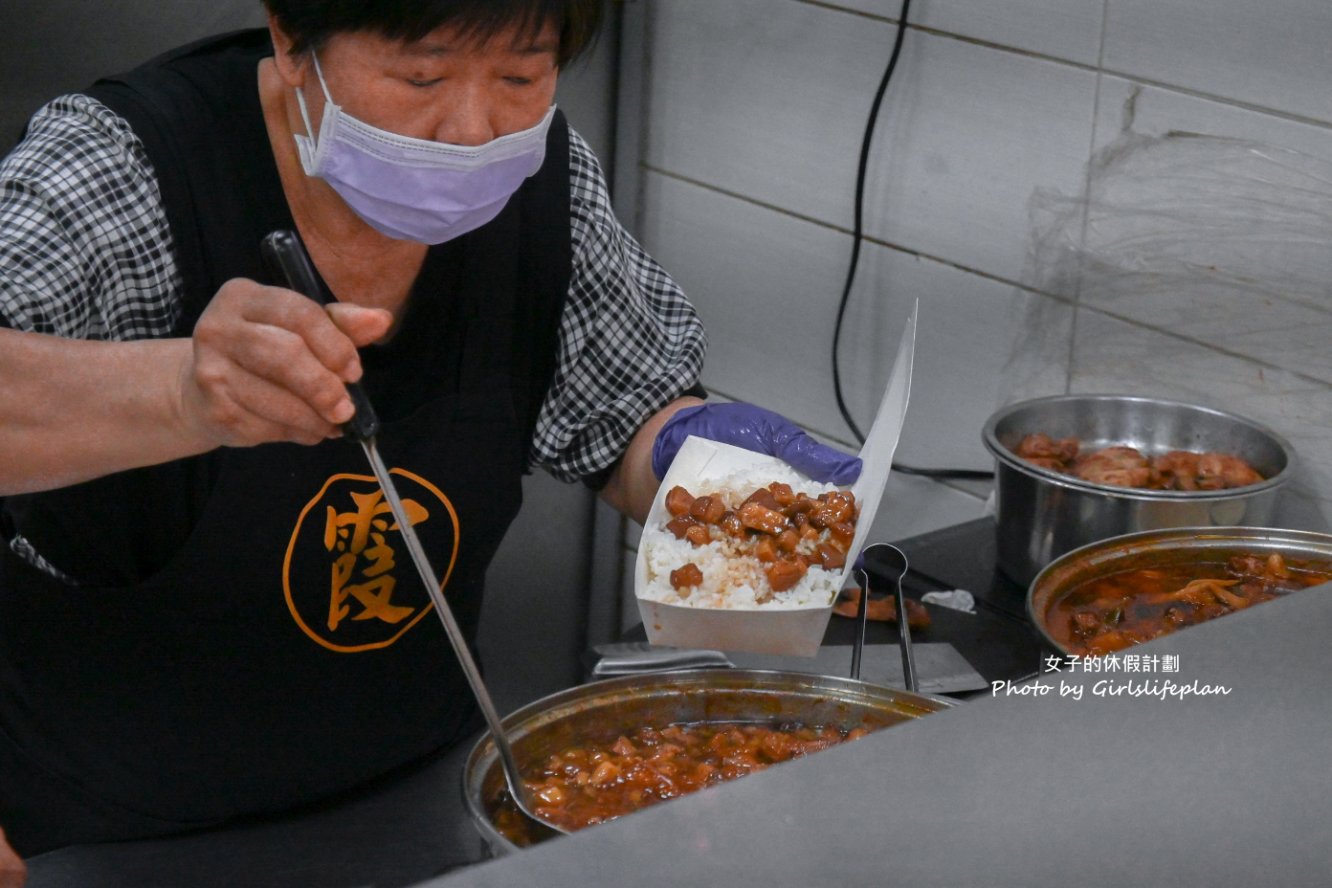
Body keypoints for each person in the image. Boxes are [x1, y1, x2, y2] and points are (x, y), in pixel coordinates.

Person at [0, 0, 859, 867]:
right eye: (423, 76)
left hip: (429, 794)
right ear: (292, 37)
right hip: (106, 832)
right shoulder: (125, 168)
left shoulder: (540, 175)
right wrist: (182, 392)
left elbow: (620, 411)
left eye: (522, 76)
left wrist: (700, 466)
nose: (472, 130)